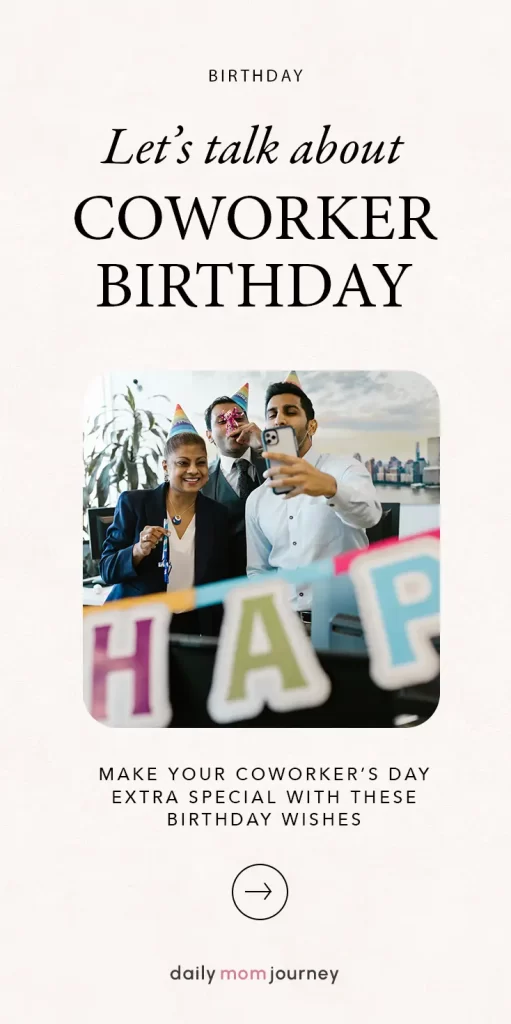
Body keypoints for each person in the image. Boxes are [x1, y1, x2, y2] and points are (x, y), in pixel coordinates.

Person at [245, 372, 382, 620]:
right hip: (284, 625)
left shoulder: (345, 469)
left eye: (290, 411)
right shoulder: (257, 498)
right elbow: (259, 570)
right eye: (272, 414)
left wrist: (330, 487)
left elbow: (371, 515)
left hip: (343, 623)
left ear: (312, 426)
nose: (279, 419)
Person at [100, 404, 230, 636]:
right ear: (165, 467)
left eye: (200, 462)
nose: (193, 470)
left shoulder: (217, 515)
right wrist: (138, 551)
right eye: (182, 463)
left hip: (191, 627)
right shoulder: (134, 504)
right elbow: (107, 570)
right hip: (136, 626)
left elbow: (221, 579)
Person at [202, 381, 266, 576]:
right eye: (222, 421)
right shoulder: (202, 481)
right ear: (210, 435)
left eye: (239, 418)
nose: (233, 425)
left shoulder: (273, 462)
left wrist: (264, 445)